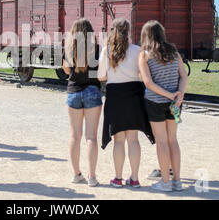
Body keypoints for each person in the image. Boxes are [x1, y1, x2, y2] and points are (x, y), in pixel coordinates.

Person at [97, 19, 155, 188]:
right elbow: (145, 74)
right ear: (129, 31)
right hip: (135, 96)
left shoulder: (107, 51)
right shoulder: (138, 51)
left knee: (118, 141)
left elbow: (100, 77)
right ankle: (135, 178)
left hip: (115, 97)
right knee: (133, 139)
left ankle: (117, 178)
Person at [138, 20, 188, 192]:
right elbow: (183, 75)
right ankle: (178, 181)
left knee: (161, 141)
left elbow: (148, 83)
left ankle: (165, 182)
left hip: (155, 103)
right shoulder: (174, 52)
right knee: (173, 140)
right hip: (175, 104)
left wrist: (169, 95)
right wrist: (179, 95)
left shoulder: (144, 55)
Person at [62, 18, 102, 187]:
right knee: (91, 137)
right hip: (92, 90)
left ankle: (76, 174)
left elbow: (65, 70)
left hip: (74, 92)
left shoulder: (69, 49)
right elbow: (101, 71)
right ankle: (92, 177)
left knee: (74, 136)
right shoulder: (97, 49)